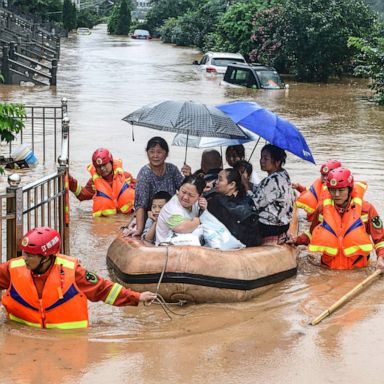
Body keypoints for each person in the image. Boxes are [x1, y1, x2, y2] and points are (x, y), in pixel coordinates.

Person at [0, 227, 156, 329]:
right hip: (23, 336)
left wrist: (137, 297)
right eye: (24, 253)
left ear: (46, 257)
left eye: (30, 255)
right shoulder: (13, 269)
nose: (24, 258)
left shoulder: (73, 272)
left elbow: (103, 289)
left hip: (68, 342)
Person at [289, 167, 384, 270]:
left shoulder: (366, 209)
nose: (336, 194)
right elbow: (313, 233)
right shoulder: (322, 209)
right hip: (328, 268)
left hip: (357, 270)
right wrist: (296, 240)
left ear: (349, 189)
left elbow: (380, 239)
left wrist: (381, 258)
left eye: (341, 190)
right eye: (333, 190)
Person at [127, 137, 184, 237]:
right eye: (152, 152)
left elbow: (184, 191)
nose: (155, 156)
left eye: (159, 152)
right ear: (147, 153)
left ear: (166, 154)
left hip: (171, 214)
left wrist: (188, 176)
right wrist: (140, 229)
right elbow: (140, 205)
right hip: (151, 215)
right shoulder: (144, 173)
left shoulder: (172, 169)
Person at [247, 144, 294, 245]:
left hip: (270, 227)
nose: (261, 161)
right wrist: (246, 183)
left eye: (266, 158)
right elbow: (262, 190)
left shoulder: (273, 180)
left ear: (277, 162)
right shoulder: (283, 174)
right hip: (282, 224)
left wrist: (246, 188)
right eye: (261, 157)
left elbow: (253, 204)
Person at [69, 148, 136, 217]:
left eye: (104, 165)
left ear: (111, 162)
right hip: (107, 221)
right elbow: (81, 194)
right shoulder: (93, 182)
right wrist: (69, 179)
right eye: (99, 167)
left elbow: (141, 192)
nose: (102, 169)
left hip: (126, 217)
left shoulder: (126, 177)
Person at [207, 168, 260, 247]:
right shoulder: (212, 198)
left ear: (232, 184)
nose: (216, 182)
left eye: (220, 179)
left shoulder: (246, 202)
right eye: (217, 179)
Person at [155, 175, 207, 245]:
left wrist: (204, 209)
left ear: (199, 196)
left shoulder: (197, 203)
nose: (185, 197)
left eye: (191, 195)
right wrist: (198, 220)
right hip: (165, 250)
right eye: (183, 192)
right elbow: (181, 228)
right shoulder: (171, 207)